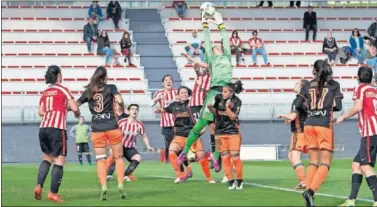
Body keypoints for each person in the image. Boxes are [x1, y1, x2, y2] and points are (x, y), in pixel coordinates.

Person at [177, 11, 234, 172]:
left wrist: (221, 24)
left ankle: (215, 156)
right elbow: (207, 41)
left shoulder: (227, 56)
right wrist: (205, 24)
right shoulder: (210, 59)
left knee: (221, 129)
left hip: (227, 93)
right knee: (200, 125)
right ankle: (185, 152)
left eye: (218, 46)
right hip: (214, 92)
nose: (216, 47)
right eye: (214, 47)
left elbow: (225, 40)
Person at [293, 60, 343, 207]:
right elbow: (338, 106)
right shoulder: (334, 84)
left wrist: (311, 110)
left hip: (309, 125)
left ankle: (308, 197)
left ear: (314, 71)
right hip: (324, 125)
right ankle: (310, 192)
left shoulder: (307, 85)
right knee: (325, 163)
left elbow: (297, 105)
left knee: (313, 162)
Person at [76, 66, 126, 200]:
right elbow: (120, 101)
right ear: (105, 76)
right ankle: (120, 184)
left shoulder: (89, 90)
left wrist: (75, 112)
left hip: (97, 130)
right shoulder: (111, 87)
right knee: (118, 157)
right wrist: (122, 107)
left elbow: (76, 104)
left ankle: (104, 186)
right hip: (112, 126)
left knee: (100, 159)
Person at [33, 65, 81, 203]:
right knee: (60, 160)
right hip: (57, 128)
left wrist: (58, 109)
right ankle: (53, 193)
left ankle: (38, 186)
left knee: (47, 158)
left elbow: (41, 112)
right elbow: (74, 107)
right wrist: (77, 113)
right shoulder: (63, 89)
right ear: (59, 75)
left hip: (43, 128)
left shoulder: (46, 91)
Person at [337, 66, 377, 207]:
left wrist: (343, 117)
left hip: (369, 132)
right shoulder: (375, 89)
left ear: (358, 77)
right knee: (356, 164)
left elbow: (358, 107)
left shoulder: (360, 88)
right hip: (374, 131)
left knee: (365, 166)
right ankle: (351, 200)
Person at [159, 86, 215, 184]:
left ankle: (209, 178)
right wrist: (159, 109)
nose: (184, 94)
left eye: (186, 93)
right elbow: (164, 109)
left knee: (201, 156)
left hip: (193, 135)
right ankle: (180, 175)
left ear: (189, 95)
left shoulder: (193, 105)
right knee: (171, 152)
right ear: (178, 95)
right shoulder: (173, 105)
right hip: (179, 136)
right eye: (182, 92)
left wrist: (204, 127)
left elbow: (203, 115)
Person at [207, 81, 244, 190]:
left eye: (225, 91)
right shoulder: (219, 98)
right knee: (225, 158)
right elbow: (216, 112)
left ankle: (240, 181)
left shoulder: (237, 101)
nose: (222, 93)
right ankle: (231, 182)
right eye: (222, 91)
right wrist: (210, 108)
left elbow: (233, 117)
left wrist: (227, 108)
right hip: (219, 133)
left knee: (235, 158)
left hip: (233, 132)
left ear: (231, 93)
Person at [106, 104, 153, 181]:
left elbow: (144, 136)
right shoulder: (122, 122)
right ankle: (108, 175)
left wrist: (148, 146)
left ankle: (126, 175)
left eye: (136, 109)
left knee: (138, 157)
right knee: (118, 158)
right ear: (128, 111)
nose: (134, 111)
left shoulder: (139, 124)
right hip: (120, 146)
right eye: (132, 109)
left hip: (130, 148)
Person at [277, 79, 309, 190]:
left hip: (299, 132)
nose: (294, 85)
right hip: (302, 130)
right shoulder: (305, 99)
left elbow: (292, 116)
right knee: (291, 156)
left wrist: (281, 115)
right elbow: (296, 115)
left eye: (297, 84)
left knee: (294, 156)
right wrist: (289, 118)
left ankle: (304, 181)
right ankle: (304, 180)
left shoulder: (298, 100)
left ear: (301, 87)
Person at [151, 75, 177, 164]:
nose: (168, 81)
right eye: (166, 80)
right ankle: (168, 158)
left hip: (177, 122)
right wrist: (157, 98)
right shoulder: (159, 92)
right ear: (163, 83)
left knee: (178, 140)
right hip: (166, 122)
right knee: (169, 140)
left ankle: (178, 158)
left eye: (170, 80)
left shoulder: (177, 92)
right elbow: (151, 103)